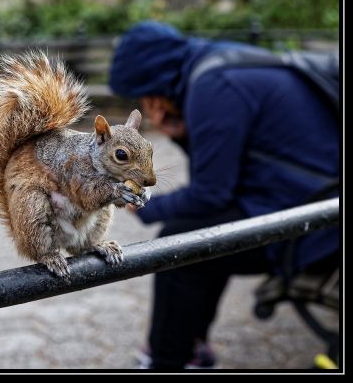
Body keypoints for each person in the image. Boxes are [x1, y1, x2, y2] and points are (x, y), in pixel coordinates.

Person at [108, 21, 340, 370]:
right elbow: (220, 178)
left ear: (154, 88)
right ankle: (191, 345)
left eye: (142, 94)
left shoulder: (211, 89)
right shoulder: (221, 62)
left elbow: (210, 194)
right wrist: (181, 134)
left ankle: (167, 361)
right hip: (318, 201)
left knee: (177, 248)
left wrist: (142, 204)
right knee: (197, 230)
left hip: (311, 227)